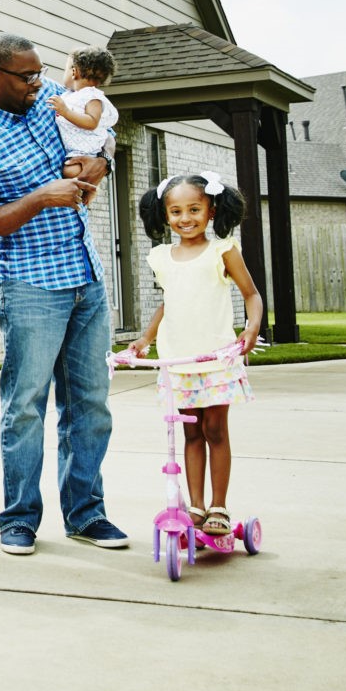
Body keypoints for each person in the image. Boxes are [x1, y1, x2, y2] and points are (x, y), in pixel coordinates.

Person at [0, 33, 129, 556]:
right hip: (30, 287)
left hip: (86, 277)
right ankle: (19, 519)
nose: (39, 83)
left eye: (40, 72)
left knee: (90, 405)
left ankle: (86, 515)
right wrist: (43, 195)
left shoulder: (51, 96)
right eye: (26, 76)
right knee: (25, 406)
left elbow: (104, 134)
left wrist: (104, 164)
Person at [128, 172, 264, 538]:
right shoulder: (160, 257)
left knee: (215, 429)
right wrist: (145, 339)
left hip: (216, 358)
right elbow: (167, 304)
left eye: (193, 209)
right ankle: (196, 507)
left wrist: (251, 328)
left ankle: (219, 506)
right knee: (189, 435)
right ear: (165, 214)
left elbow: (251, 294)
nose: (185, 218)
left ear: (211, 209)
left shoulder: (223, 250)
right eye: (176, 212)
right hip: (179, 363)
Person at [49, 48, 118, 198]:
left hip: (87, 152)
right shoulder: (70, 95)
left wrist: (65, 111)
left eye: (66, 69)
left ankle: (89, 188)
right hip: (75, 151)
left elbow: (92, 122)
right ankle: (88, 189)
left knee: (68, 171)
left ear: (74, 72)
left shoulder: (92, 97)